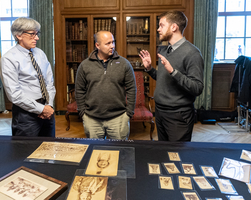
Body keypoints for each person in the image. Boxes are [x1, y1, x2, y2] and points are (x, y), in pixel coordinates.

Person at [139, 11, 204, 141]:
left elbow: (197, 88)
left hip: (178, 116)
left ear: (174, 27)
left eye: (161, 25)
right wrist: (150, 69)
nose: (158, 29)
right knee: (164, 153)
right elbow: (165, 79)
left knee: (177, 156)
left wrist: (173, 72)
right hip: (160, 112)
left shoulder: (193, 53)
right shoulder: (165, 50)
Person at [0, 17, 56, 137]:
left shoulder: (40, 53)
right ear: (19, 35)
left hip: (47, 109)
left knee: (49, 149)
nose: (37, 38)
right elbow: (14, 94)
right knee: (25, 152)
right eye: (32, 34)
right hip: (26, 114)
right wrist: (41, 109)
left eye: (37, 34)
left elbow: (49, 83)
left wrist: (49, 106)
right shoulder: (9, 59)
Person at [75, 30, 136, 140]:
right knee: (95, 152)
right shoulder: (85, 65)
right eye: (108, 43)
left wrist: (128, 113)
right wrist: (82, 113)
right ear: (97, 45)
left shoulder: (124, 64)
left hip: (119, 118)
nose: (112, 46)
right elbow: (79, 90)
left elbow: (132, 89)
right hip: (92, 119)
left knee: (120, 152)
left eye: (113, 42)